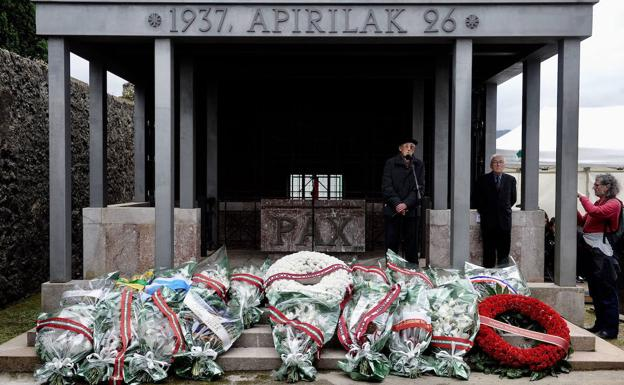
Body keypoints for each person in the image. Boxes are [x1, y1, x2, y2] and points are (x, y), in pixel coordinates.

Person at [578, 174, 621, 339]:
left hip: (603, 253)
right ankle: (600, 324)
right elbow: (584, 221)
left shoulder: (613, 204)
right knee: (596, 291)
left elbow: (595, 212)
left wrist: (582, 197)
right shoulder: (599, 202)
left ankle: (610, 329)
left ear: (607, 187)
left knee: (607, 291)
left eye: (597, 185)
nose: (594, 187)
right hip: (593, 252)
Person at [382, 138, 425, 263]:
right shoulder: (390, 163)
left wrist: (406, 204)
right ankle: (392, 272)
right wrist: (397, 203)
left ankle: (412, 274)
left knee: (412, 246)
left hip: (411, 211)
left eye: (412, 146)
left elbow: (420, 188)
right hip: (393, 211)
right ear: (400, 148)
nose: (410, 148)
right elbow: (386, 187)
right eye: (407, 146)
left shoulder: (418, 165)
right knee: (392, 244)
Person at [475, 154, 517, 267]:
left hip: (504, 222)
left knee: (504, 253)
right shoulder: (483, 179)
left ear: (504, 165)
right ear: (490, 165)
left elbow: (513, 199)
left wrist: (502, 209)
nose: (498, 164)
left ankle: (503, 280)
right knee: (489, 252)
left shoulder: (511, 180)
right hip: (488, 222)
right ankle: (489, 279)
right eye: (495, 162)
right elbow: (477, 199)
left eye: (500, 162)